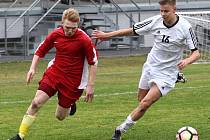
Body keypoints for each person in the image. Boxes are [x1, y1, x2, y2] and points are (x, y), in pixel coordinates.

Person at [92, 0, 200, 139]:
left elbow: (196, 53)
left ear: (174, 9)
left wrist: (187, 60)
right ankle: (178, 76)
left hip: (167, 73)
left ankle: (120, 130)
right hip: (151, 66)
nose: (163, 14)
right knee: (141, 99)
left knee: (145, 104)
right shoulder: (155, 21)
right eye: (161, 11)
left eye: (166, 11)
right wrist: (107, 35)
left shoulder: (185, 27)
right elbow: (132, 31)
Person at [9, 8, 98, 140]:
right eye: (67, 27)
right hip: (54, 73)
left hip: (73, 81)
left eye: (74, 28)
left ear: (77, 25)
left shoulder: (84, 39)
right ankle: (20, 136)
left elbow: (93, 62)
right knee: (36, 103)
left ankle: (71, 104)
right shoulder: (56, 34)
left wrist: (90, 85)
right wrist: (32, 68)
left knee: (60, 116)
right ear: (62, 23)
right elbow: (40, 50)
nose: (70, 31)